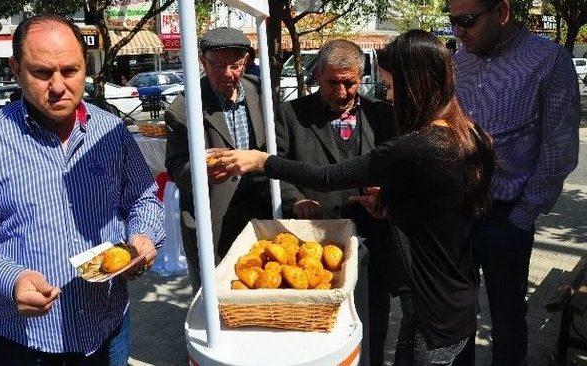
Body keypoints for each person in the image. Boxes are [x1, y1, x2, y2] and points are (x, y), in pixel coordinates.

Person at [219, 30, 495, 366]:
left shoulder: (416, 145)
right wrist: (393, 202)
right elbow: (439, 207)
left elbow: (326, 177)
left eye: (392, 87)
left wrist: (261, 160)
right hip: (455, 298)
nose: (389, 96)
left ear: (414, 86)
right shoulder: (470, 134)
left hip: (434, 309)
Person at [0, 14, 165, 366]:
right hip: (25, 340)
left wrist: (143, 236)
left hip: (107, 330)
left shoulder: (112, 132)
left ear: (86, 67)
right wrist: (11, 277)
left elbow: (141, 199)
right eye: (42, 73)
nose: (59, 86)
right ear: (16, 71)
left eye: (70, 70)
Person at [450, 0, 580, 363]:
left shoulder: (548, 60)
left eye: (467, 20)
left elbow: (560, 149)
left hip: (505, 216)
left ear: (502, 12)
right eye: (453, 21)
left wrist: (523, 214)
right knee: (457, 312)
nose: (458, 31)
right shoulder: (460, 60)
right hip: (457, 210)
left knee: (507, 318)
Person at [275, 39, 396, 366]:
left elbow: (398, 167)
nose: (342, 92)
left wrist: (385, 191)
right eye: (333, 83)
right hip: (316, 241)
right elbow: (274, 169)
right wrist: (295, 198)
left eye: (350, 82)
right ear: (317, 76)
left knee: (373, 316)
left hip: (373, 236)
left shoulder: (382, 114)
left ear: (360, 76)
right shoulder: (291, 115)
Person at [164, 27, 272, 293]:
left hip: (259, 212)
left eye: (234, 65)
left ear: (245, 61)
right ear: (203, 61)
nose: (227, 73)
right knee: (217, 297)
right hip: (213, 218)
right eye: (217, 65)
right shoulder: (183, 107)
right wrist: (200, 169)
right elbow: (177, 167)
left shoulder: (259, 92)